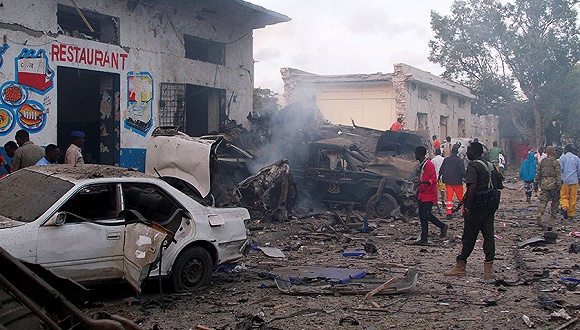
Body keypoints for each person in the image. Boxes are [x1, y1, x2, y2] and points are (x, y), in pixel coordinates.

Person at [444, 142, 503, 279]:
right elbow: (499, 184)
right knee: (488, 236)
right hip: (490, 206)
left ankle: (461, 265)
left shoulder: (473, 166)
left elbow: (472, 188)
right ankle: (488, 270)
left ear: (474, 152)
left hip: (477, 206)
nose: (467, 153)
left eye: (469, 151)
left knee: (469, 236)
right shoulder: (489, 166)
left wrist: (467, 208)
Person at [412, 146, 448, 245]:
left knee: (426, 214)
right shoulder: (422, 165)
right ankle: (424, 237)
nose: (415, 155)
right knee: (422, 216)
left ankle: (442, 226)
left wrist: (423, 182)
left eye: (416, 153)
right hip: (422, 194)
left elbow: (433, 179)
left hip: (429, 194)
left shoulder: (429, 164)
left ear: (420, 154)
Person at [536, 146, 561, 230]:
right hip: (553, 184)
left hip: (544, 183)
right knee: (555, 202)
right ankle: (552, 220)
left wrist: (536, 183)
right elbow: (558, 174)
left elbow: (538, 173)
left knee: (543, 201)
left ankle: (540, 214)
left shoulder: (543, 161)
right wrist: (559, 185)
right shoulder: (555, 162)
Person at [439, 145, 466, 219]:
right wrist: (467, 178)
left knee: (449, 198)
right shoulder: (459, 161)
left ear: (451, 151)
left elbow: (441, 170)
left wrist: (439, 177)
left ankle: (449, 213)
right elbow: (462, 172)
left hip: (448, 181)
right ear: (457, 152)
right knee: (461, 198)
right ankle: (464, 211)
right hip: (457, 182)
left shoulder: (446, 160)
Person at [559, 144, 580, 220]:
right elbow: (579, 169)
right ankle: (571, 214)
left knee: (564, 196)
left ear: (565, 150)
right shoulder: (576, 158)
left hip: (565, 180)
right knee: (573, 197)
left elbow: (560, 169)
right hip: (574, 180)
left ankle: (565, 207)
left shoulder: (562, 158)